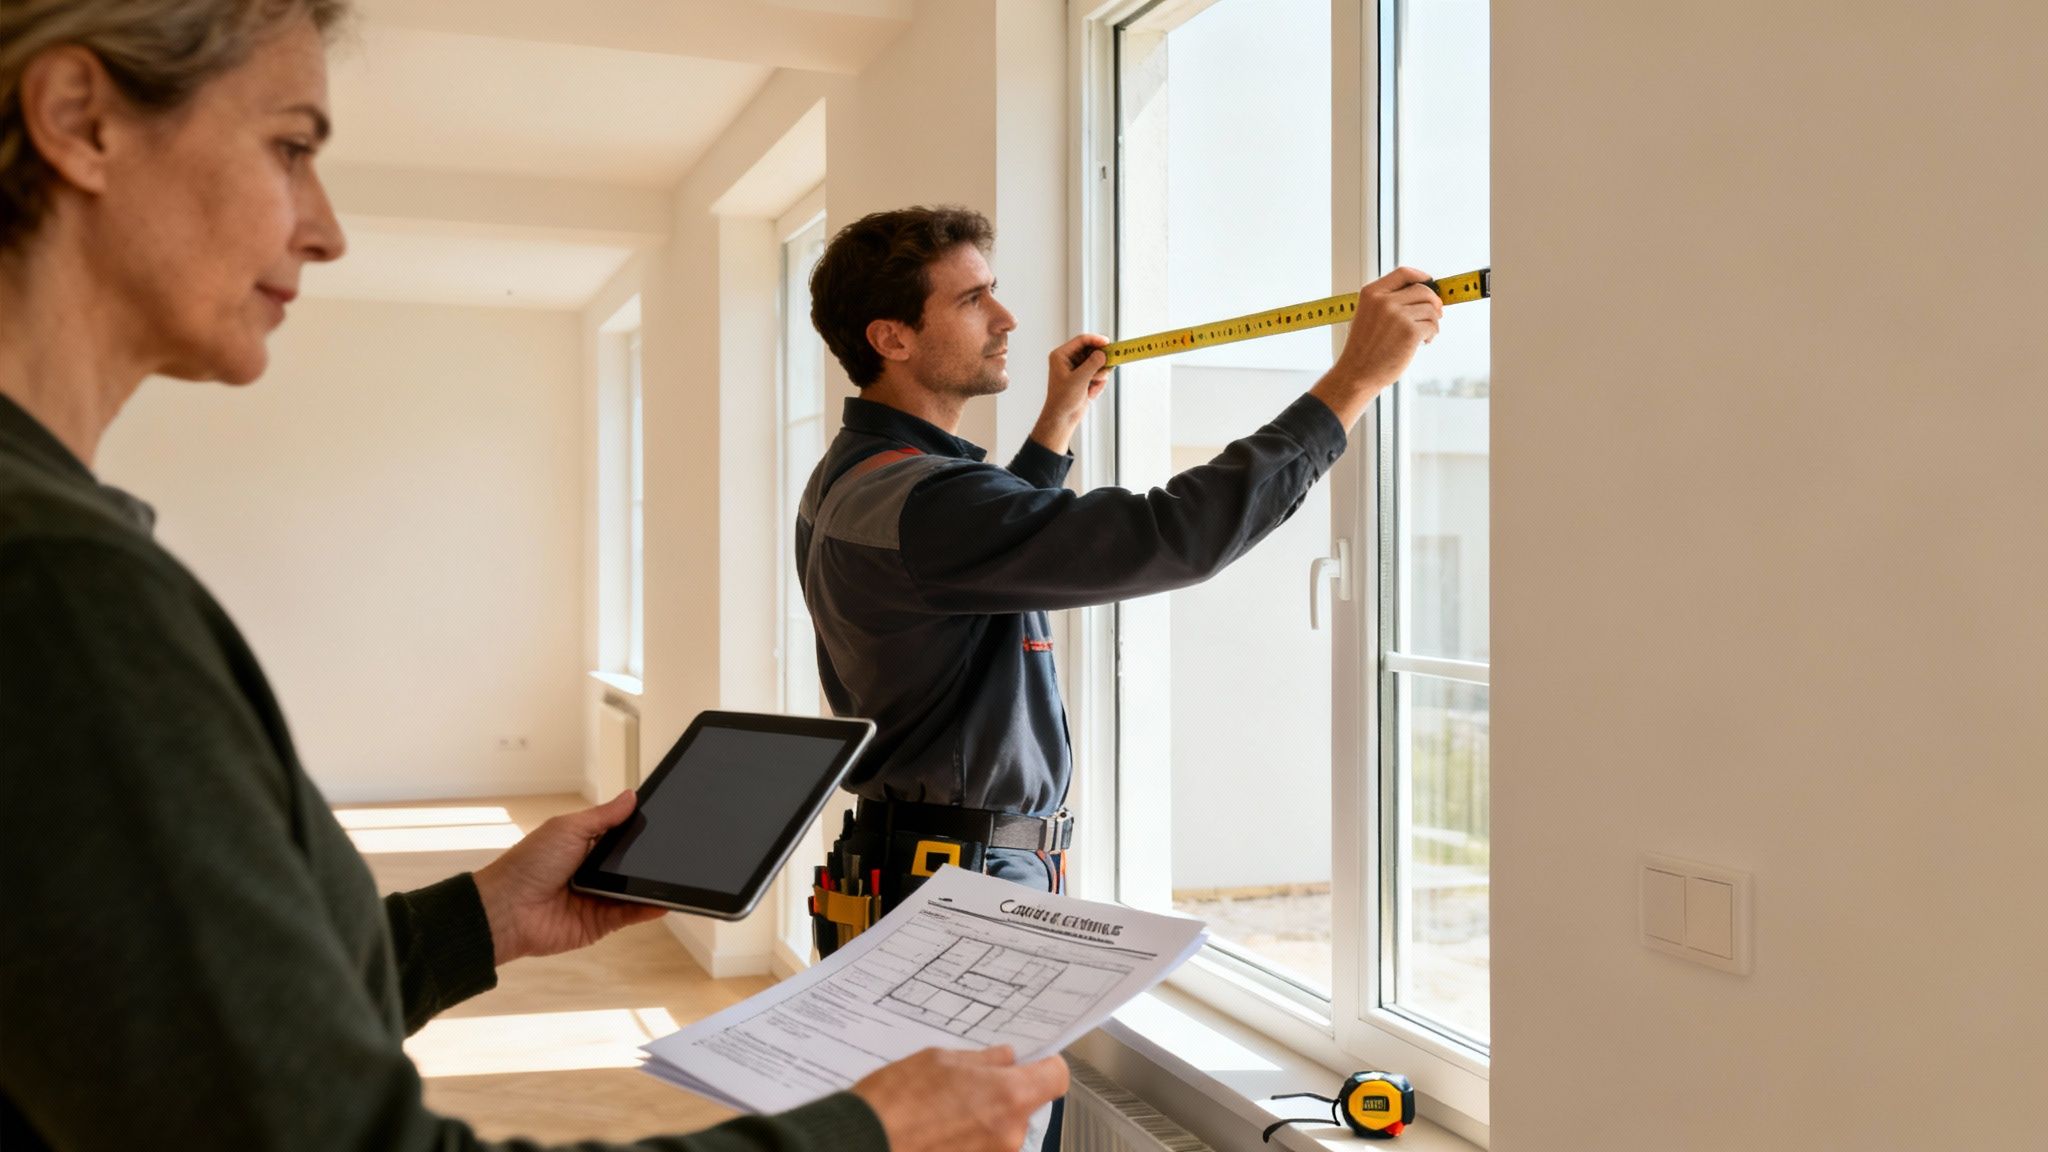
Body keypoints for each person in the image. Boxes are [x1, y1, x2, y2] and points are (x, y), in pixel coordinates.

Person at [0, 4, 1065, 1150]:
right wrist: (866, 1133)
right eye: (291, 148)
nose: (324, 230)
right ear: (81, 122)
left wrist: (479, 920)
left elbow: (186, 1026)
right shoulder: (55, 588)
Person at [797, 206, 1441, 934]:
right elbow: (1172, 535)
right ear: (893, 338)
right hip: (957, 882)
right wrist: (1354, 380)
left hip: (912, 864)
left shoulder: (851, 478)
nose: (1005, 319)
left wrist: (1055, 427)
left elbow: (984, 559)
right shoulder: (925, 500)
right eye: (972, 300)